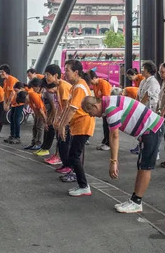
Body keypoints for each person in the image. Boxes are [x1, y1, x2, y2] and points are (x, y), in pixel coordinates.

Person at [82, 95, 164, 213]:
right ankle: (134, 200)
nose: (90, 115)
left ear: (95, 106)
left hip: (151, 130)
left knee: (145, 167)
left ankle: (136, 202)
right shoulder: (109, 102)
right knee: (141, 165)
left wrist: (113, 162)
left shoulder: (110, 108)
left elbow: (114, 136)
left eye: (89, 111)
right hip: (149, 131)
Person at [57, 60, 94, 197]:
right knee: (74, 156)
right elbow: (68, 108)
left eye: (67, 70)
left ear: (76, 72)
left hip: (83, 125)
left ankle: (84, 186)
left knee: (74, 156)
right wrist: (61, 124)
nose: (64, 73)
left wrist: (62, 126)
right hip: (77, 125)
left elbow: (72, 110)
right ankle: (82, 185)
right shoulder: (75, 86)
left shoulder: (79, 87)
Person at [42, 64, 72, 168]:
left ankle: (67, 166)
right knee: (61, 141)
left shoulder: (63, 86)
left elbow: (67, 107)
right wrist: (56, 120)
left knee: (65, 143)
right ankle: (63, 162)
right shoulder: (59, 86)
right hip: (65, 118)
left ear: (55, 75)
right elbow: (60, 106)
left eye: (48, 75)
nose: (46, 77)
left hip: (71, 119)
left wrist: (61, 123)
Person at [89, 70, 113, 151]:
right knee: (105, 126)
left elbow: (106, 99)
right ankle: (105, 141)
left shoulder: (103, 83)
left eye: (91, 80)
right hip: (103, 108)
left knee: (108, 126)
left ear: (95, 77)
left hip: (108, 108)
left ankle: (109, 144)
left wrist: (103, 111)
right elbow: (97, 98)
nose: (90, 83)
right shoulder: (95, 85)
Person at [24, 78, 47, 150]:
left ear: (38, 86)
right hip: (38, 113)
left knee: (40, 127)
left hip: (43, 112)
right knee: (35, 127)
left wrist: (45, 121)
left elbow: (41, 109)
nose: (33, 89)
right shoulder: (31, 94)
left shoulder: (33, 94)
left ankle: (38, 143)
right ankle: (33, 143)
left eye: (34, 87)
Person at [0, 64, 21, 143]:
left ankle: (17, 137)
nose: (1, 73)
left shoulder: (12, 80)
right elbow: (5, 93)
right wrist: (5, 104)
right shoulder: (5, 81)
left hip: (19, 103)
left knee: (16, 119)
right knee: (12, 119)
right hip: (12, 103)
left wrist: (8, 104)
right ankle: (12, 135)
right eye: (0, 72)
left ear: (6, 72)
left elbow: (12, 93)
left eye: (2, 72)